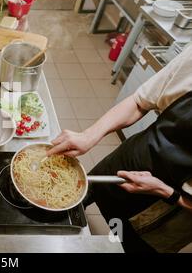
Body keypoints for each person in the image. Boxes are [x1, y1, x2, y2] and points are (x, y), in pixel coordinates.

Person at [47, 43, 192, 252]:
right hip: (136, 157)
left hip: (170, 205)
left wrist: (164, 190)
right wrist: (89, 136)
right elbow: (140, 102)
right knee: (84, 192)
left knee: (130, 243)